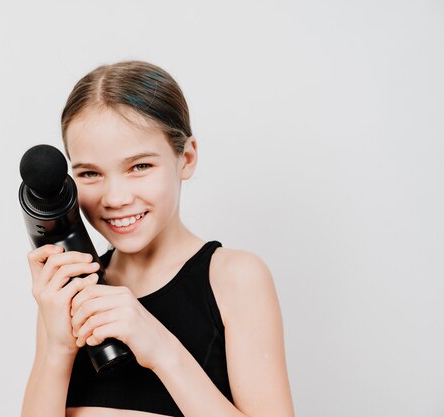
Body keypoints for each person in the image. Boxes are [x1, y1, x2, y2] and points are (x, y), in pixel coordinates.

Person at [20, 61, 294, 417]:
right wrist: (57, 348)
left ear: (187, 158)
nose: (115, 198)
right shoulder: (69, 291)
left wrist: (162, 349)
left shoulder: (235, 278)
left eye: (140, 166)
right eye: (90, 173)